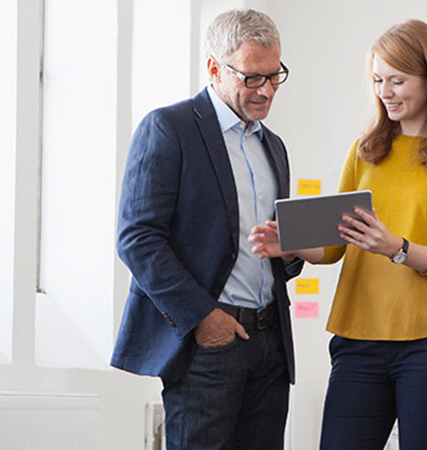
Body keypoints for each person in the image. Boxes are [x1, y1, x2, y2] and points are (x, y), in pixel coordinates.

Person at [250, 19, 427, 449]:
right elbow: (335, 244)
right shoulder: (365, 151)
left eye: (398, 80)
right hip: (358, 340)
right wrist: (292, 244)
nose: (386, 91)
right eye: (379, 80)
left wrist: (395, 248)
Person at [112, 8, 302, 450]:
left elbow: (267, 253)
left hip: (271, 343)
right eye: (253, 77)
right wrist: (203, 318)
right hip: (208, 344)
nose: (267, 90)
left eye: (275, 76)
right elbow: (137, 239)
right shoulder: (169, 128)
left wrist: (290, 252)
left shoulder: (274, 146)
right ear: (215, 68)